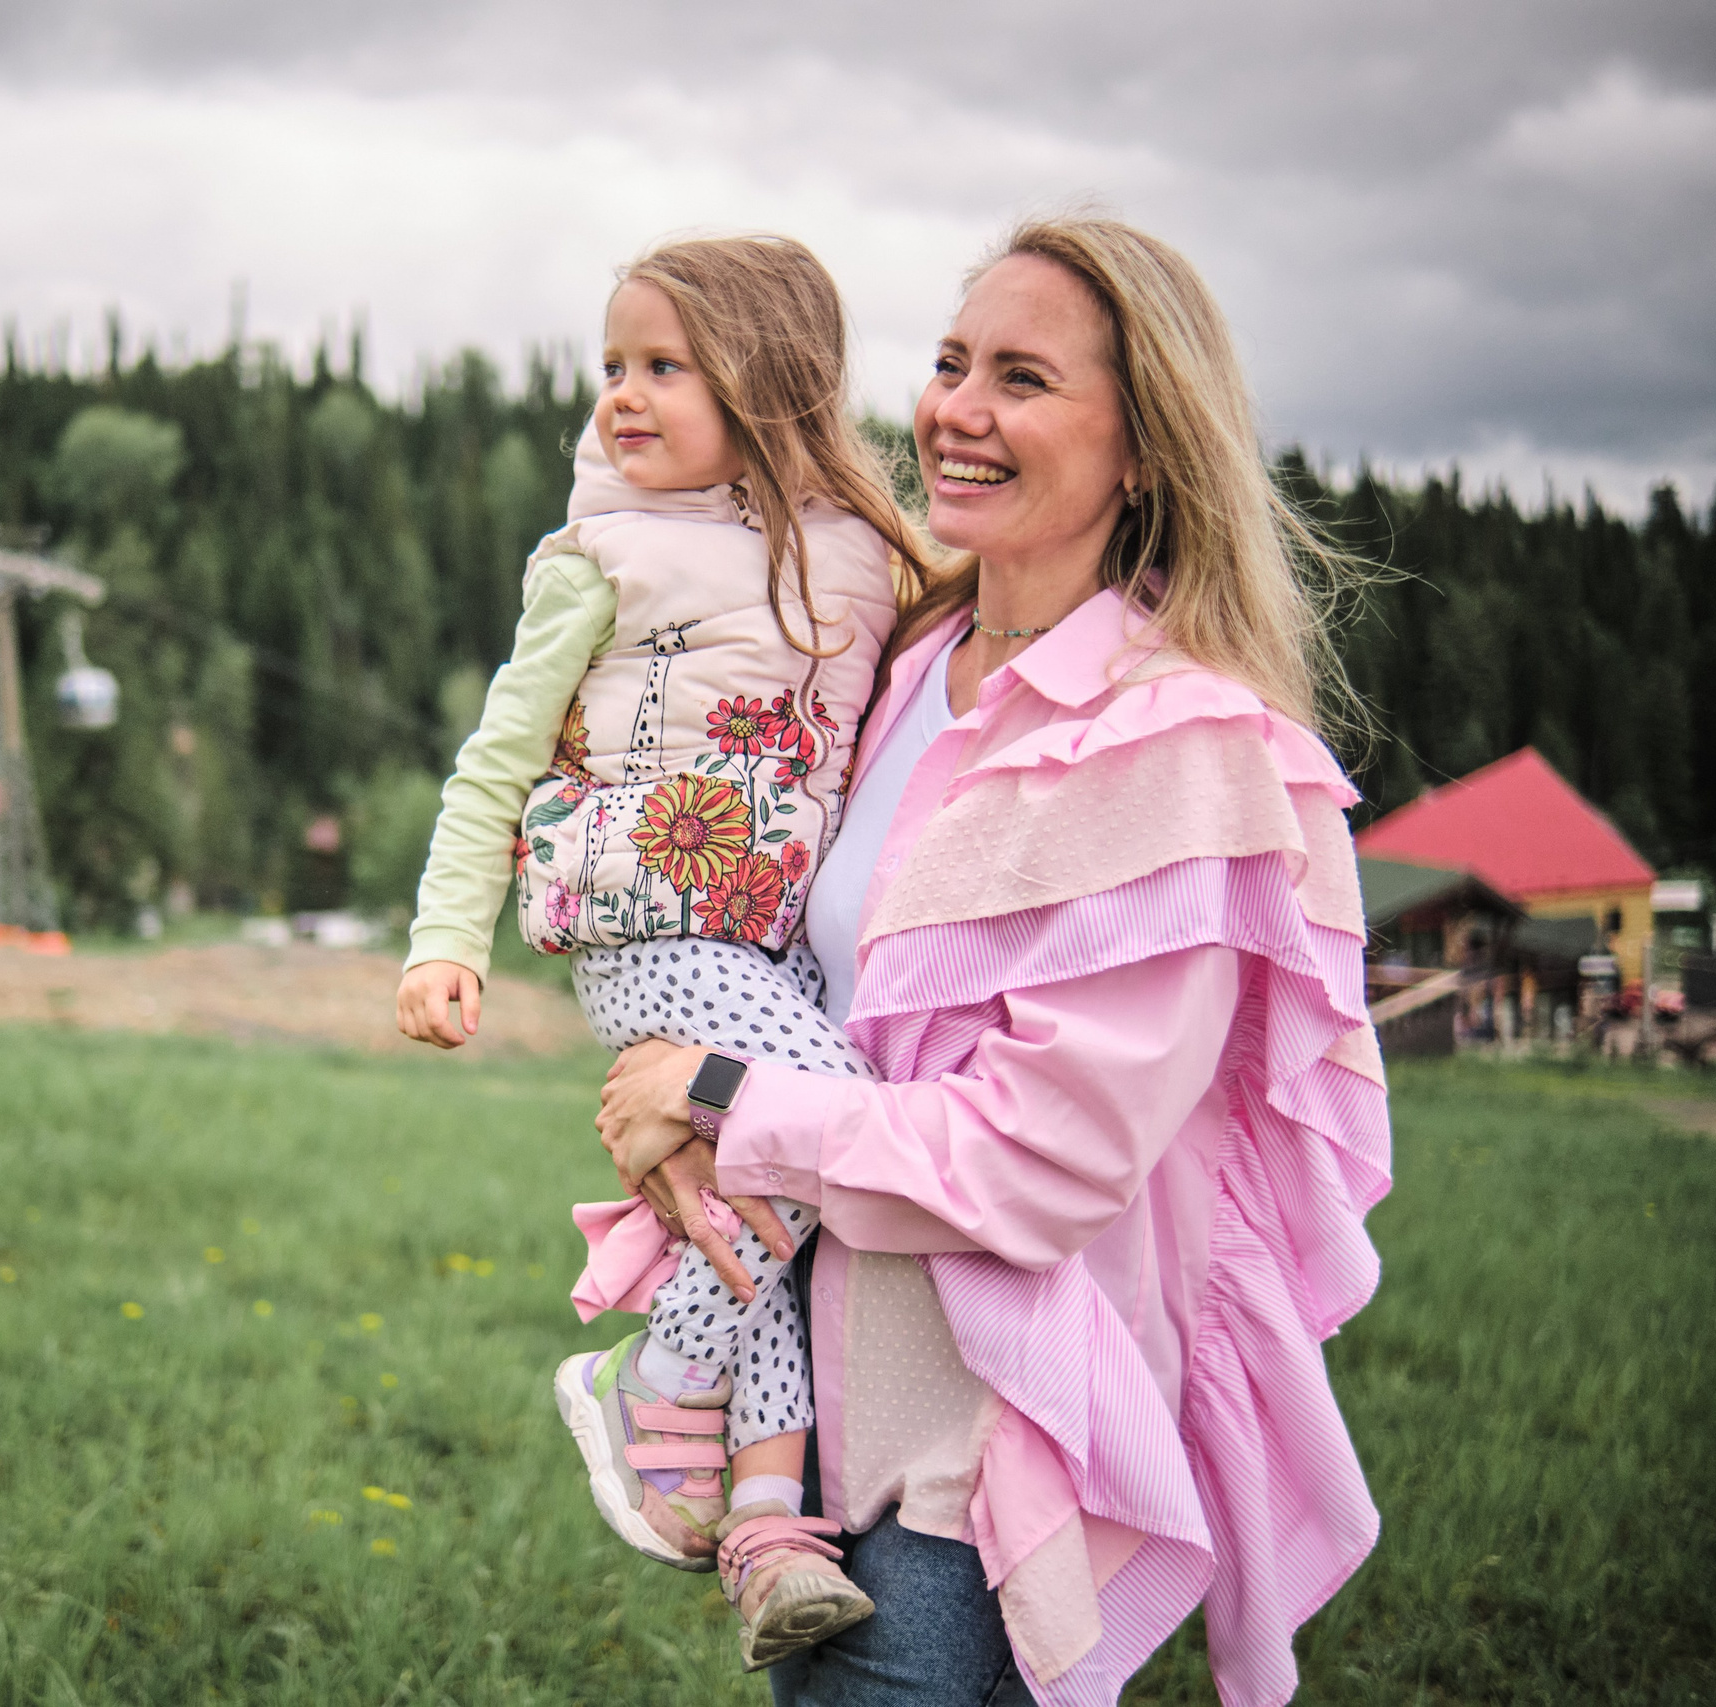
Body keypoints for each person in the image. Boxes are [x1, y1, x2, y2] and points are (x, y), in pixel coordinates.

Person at [595, 214, 1392, 1707]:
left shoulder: (1181, 747)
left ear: (1143, 445)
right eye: (953, 362)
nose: (958, 411)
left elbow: (1045, 1157)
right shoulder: (902, 669)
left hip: (987, 1445)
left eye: (1022, 379)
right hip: (821, 1400)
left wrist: (718, 1093)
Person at [393, 234, 925, 1669]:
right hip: (652, 924)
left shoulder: (868, 555)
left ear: (768, 378)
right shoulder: (597, 559)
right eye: (612, 365)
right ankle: (656, 1376)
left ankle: (765, 1522)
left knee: (782, 1192)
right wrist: (449, 940)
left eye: (662, 365)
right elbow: (495, 756)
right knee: (830, 1133)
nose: (621, 395)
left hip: (777, 946)